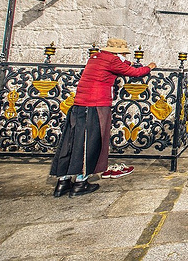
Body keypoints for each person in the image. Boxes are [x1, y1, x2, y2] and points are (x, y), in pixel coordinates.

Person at [50, 38, 156, 197]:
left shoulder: (96, 58)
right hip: (95, 104)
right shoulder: (112, 61)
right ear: (119, 53)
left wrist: (126, 63)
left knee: (72, 141)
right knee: (91, 142)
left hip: (79, 104)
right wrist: (149, 67)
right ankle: (80, 182)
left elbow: (123, 66)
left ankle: (63, 181)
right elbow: (135, 72)